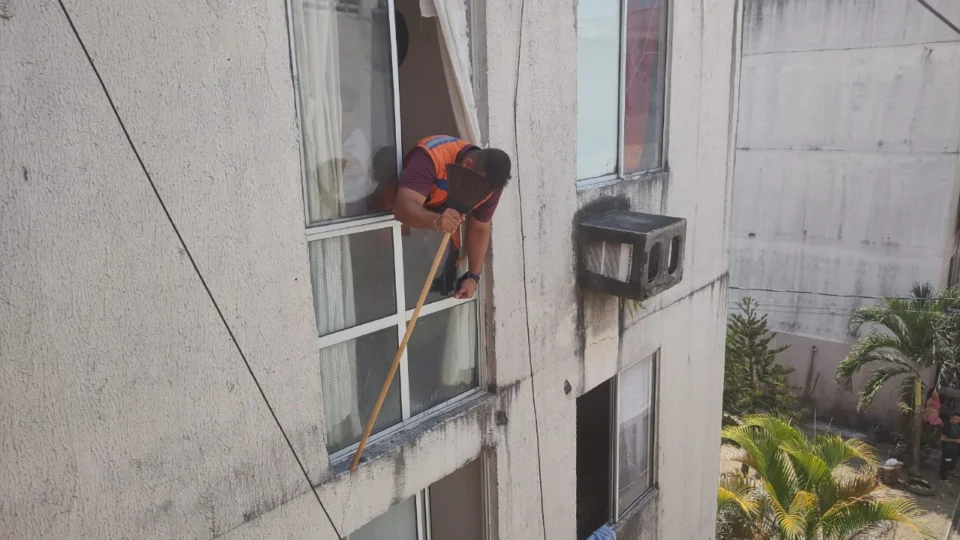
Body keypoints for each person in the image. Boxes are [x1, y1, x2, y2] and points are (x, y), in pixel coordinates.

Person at [393, 135, 512, 299]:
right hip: (400, 236)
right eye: (477, 186)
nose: (481, 193)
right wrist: (436, 221)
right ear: (467, 165)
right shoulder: (431, 156)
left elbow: (480, 228)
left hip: (438, 247)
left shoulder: (489, 186)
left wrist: (473, 277)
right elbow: (402, 208)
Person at [940, 411, 960, 482]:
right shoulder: (947, 425)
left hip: (955, 448)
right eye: (955, 419)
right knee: (946, 461)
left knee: (952, 460)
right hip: (948, 448)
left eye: (958, 419)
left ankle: (951, 471)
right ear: (951, 417)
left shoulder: (958, 425)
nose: (956, 421)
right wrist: (955, 441)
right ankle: (943, 478)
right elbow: (942, 438)